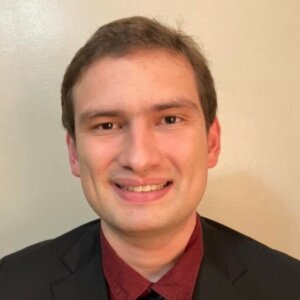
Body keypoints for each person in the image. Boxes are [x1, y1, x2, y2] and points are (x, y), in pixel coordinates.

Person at [0, 16, 299, 300]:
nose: (140, 158)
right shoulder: (9, 285)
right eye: (107, 125)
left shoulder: (289, 287)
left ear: (211, 142)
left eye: (169, 119)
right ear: (74, 152)